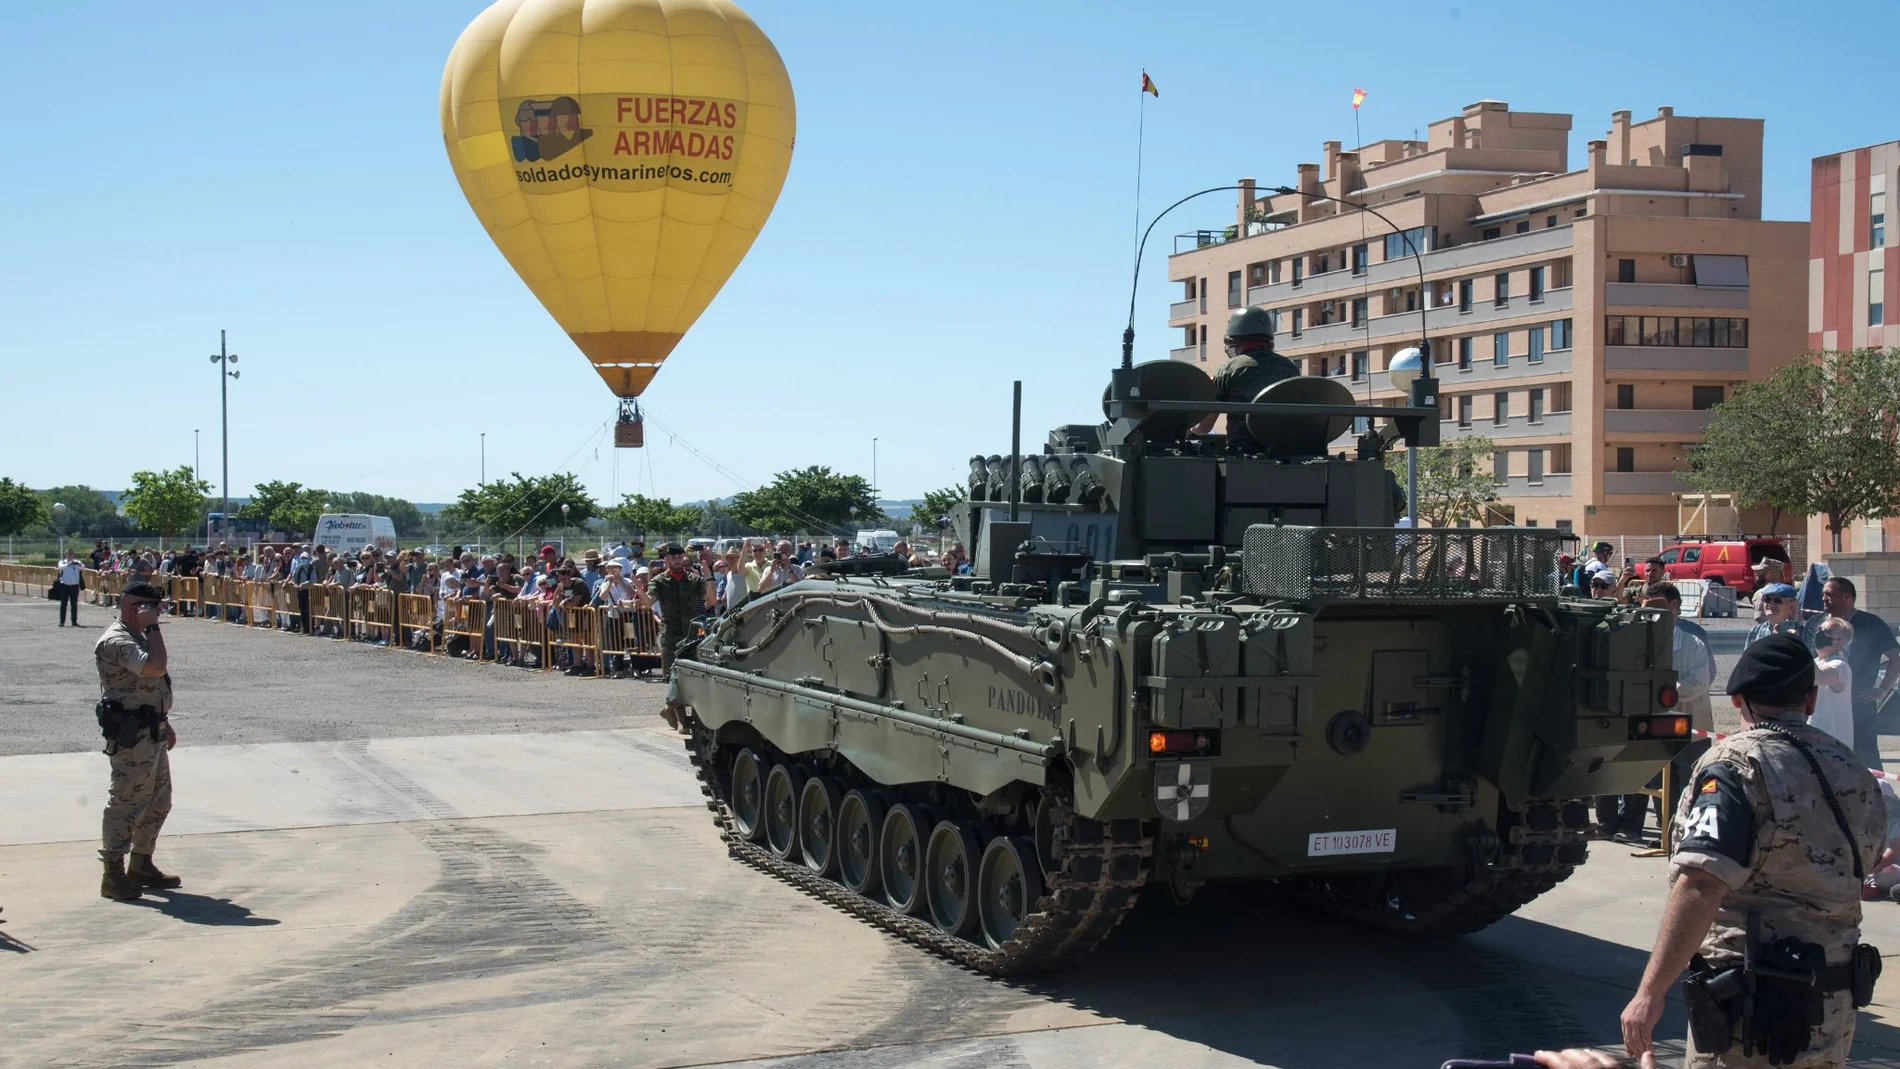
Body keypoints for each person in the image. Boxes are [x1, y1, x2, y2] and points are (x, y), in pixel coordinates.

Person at [1619, 635, 1886, 1067]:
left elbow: (1702, 882)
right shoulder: (1850, 765)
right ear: (1811, 699)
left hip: (1752, 1017)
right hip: (1835, 1011)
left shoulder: (1733, 765)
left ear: (1739, 700)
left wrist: (1649, 993)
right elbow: (1868, 863)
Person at [93, 581, 182, 901]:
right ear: (137, 608)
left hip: (151, 729)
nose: (159, 612)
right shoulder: (117, 640)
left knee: (159, 800)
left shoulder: (136, 635)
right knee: (126, 803)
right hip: (133, 736)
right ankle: (112, 874)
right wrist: (154, 626)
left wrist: (165, 720)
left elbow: (147, 688)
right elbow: (155, 668)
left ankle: (141, 863)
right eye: (154, 608)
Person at [1188, 306, 1300, 448]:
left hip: (1242, 456)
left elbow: (1203, 428)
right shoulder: (1290, 368)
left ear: (1236, 341)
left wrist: (1190, 427)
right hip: (1285, 453)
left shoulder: (1229, 369)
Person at [1820, 576, 1900, 771]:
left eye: (1830, 595)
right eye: (1823, 594)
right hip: (1824, 704)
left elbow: (1896, 658)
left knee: (1866, 759)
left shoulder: (1870, 623)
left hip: (1859, 705)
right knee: (1827, 758)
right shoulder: (1818, 623)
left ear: (1848, 597)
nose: (1824, 599)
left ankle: (1884, 799)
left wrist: (1881, 690)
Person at [647, 543, 712, 731]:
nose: (676, 560)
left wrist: (707, 574)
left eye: (679, 557)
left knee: (693, 674)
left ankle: (669, 707)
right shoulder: (659, 581)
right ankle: (682, 718)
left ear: (683, 558)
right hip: (671, 634)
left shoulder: (694, 579)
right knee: (673, 675)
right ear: (666, 559)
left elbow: (711, 601)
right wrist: (639, 589)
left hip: (692, 633)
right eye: (672, 557)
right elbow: (649, 602)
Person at [1811, 616, 1856, 751]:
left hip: (1833, 744)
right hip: (1813, 739)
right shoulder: (1815, 661)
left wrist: (1798, 645)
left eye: (1827, 631)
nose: (1819, 633)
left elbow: (1817, 676)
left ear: (1839, 641)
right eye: (1819, 629)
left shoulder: (1839, 666)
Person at [53, 547, 84, 626]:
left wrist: (78, 564)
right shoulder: (62, 562)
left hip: (74, 586)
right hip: (64, 586)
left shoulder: (77, 562)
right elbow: (60, 567)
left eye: (71, 553)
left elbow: (82, 567)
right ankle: (62, 621)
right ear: (66, 554)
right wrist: (68, 564)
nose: (70, 555)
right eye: (68, 553)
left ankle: (74, 621)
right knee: (64, 604)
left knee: (74, 605)